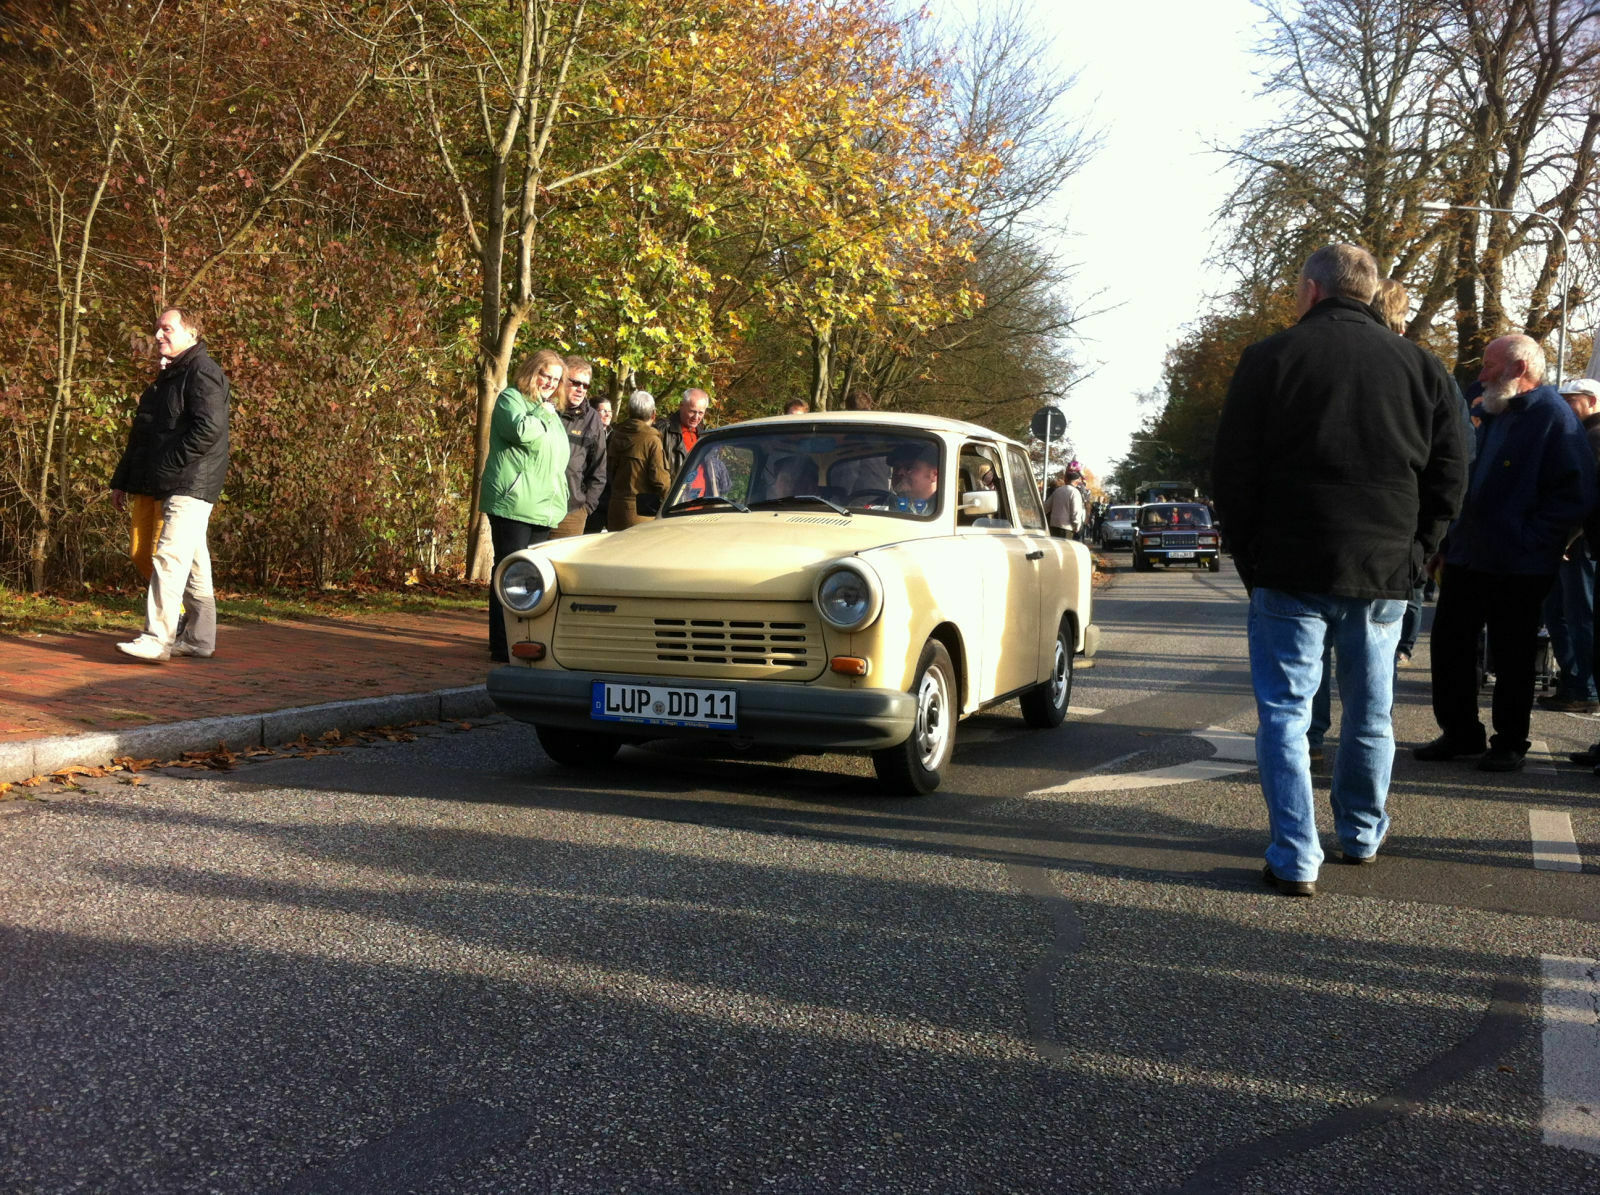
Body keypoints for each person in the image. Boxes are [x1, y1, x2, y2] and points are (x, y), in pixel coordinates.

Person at [1212, 244, 1467, 897]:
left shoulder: (1270, 359)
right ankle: (1360, 831)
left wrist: (1252, 556)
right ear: (1371, 291)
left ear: (1312, 289)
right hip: (1384, 566)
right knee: (1371, 710)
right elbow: (1450, 473)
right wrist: (1420, 550)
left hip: (1290, 563)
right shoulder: (1423, 367)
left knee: (1287, 714)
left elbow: (1233, 471)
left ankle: (1296, 853)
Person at [1414, 335, 1595, 771]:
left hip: (1519, 563)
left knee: (1512, 655)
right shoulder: (1493, 410)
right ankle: (1460, 732)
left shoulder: (1553, 418)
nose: (1480, 374)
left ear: (1518, 369)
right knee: (1450, 644)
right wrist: (1446, 542)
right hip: (1469, 555)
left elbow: (1576, 493)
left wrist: (1532, 539)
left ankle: (1510, 741)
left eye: (1489, 365)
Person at [110, 307, 231, 663]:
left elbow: (210, 429)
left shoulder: (202, 372)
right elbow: (145, 436)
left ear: (191, 334)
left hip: (190, 482)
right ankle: (199, 639)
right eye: (157, 329)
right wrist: (124, 480)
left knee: (168, 558)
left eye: (168, 329)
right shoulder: (169, 377)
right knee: (193, 565)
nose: (159, 335)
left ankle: (157, 638)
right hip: (176, 480)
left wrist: (170, 463)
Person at [481, 350, 570, 662]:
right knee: (508, 572)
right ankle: (501, 643)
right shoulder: (511, 400)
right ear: (533, 372)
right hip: (513, 504)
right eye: (546, 375)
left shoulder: (547, 409)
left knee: (533, 579)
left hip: (543, 507)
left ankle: (527, 642)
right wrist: (544, 413)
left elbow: (559, 455)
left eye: (556, 379)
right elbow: (521, 433)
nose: (550, 382)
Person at [550, 355, 607, 539]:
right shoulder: (545, 409)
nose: (581, 389)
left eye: (585, 385)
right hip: (536, 507)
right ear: (561, 380)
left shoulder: (592, 420)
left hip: (571, 512)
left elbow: (599, 469)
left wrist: (586, 507)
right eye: (575, 383)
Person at [608, 390, 673, 530]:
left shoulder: (615, 434)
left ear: (628, 410)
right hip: (642, 512)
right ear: (653, 414)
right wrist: (674, 502)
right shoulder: (651, 440)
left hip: (614, 508)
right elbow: (660, 480)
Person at [657, 388, 713, 496]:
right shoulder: (663, 431)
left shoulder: (704, 434)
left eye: (701, 413)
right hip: (676, 504)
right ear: (681, 406)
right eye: (692, 411)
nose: (696, 417)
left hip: (702, 504)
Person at [886, 441, 939, 513]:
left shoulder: (946, 508)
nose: (899, 472)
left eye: (909, 467)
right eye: (896, 467)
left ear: (934, 474)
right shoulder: (884, 504)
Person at [1045, 471, 1085, 539]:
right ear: (1076, 481)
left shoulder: (1057, 491)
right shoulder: (1075, 492)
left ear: (1066, 480)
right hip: (1067, 527)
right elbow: (1076, 511)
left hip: (1053, 526)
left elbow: (1046, 507)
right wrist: (1077, 526)